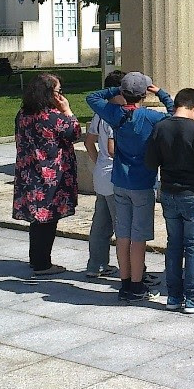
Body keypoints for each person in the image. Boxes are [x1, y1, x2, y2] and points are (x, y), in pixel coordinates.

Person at [87, 71, 175, 302]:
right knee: (138, 238)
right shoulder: (150, 117)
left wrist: (118, 90)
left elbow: (92, 97)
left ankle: (125, 283)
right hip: (142, 183)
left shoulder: (114, 113)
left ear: (124, 93)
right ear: (144, 94)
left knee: (123, 235)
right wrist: (161, 94)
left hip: (119, 181)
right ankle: (137, 285)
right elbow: (175, 114)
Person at [146, 89, 194, 312]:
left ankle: (174, 296)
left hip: (169, 192)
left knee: (174, 245)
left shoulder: (160, 127)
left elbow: (150, 162)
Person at [13, 74, 80, 276]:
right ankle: (42, 264)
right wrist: (67, 110)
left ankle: (37, 259)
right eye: (58, 91)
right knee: (47, 220)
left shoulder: (23, 114)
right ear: (49, 93)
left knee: (37, 220)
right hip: (49, 177)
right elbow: (74, 132)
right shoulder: (53, 117)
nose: (60, 95)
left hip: (29, 174)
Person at [84, 70, 123, 279]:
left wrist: (98, 161)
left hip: (101, 174)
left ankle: (96, 265)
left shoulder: (99, 114)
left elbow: (89, 142)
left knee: (101, 224)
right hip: (115, 177)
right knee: (122, 226)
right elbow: (112, 149)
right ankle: (130, 270)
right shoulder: (117, 115)